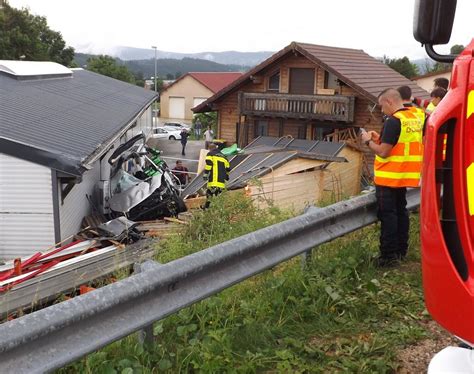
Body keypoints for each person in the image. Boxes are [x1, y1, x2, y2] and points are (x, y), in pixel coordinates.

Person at [360, 88, 423, 267]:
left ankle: (388, 257)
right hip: (404, 175)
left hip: (388, 177)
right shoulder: (416, 116)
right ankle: (401, 251)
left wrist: (367, 140)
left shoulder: (393, 121)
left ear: (389, 102)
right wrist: (380, 137)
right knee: (401, 212)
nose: (381, 111)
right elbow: (401, 142)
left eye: (381, 106)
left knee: (388, 216)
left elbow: (384, 152)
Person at [203, 144, 230, 209]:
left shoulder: (210, 154)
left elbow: (209, 164)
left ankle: (206, 208)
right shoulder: (224, 157)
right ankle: (218, 209)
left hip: (214, 180)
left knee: (209, 194)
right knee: (218, 195)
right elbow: (228, 169)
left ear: (210, 149)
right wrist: (226, 176)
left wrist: (206, 174)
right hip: (221, 182)